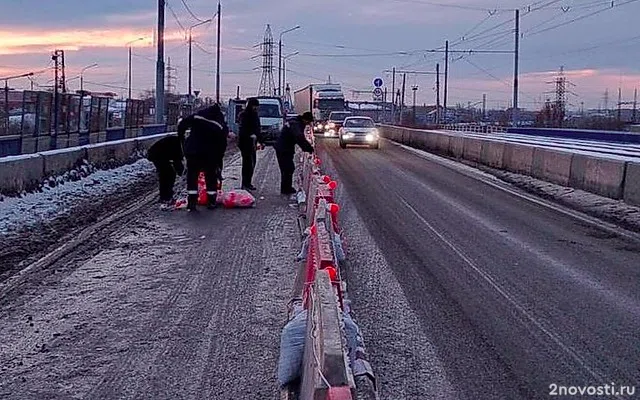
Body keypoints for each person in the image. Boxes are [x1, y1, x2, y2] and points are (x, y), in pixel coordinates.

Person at [178, 104, 228, 211]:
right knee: (210, 177)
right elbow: (222, 142)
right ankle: (211, 202)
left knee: (192, 176)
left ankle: (192, 203)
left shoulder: (197, 117)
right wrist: (220, 157)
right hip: (210, 154)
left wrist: (182, 140)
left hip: (193, 152)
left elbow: (181, 125)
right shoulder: (219, 124)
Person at [275, 111, 315, 195]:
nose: (308, 124)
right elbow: (299, 137)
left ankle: (286, 187)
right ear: (305, 119)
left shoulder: (295, 122)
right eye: (308, 122)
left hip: (284, 147)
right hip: (284, 148)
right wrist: (308, 148)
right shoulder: (295, 124)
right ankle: (286, 189)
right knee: (288, 168)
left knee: (287, 168)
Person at [147, 134, 184, 207]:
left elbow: (177, 160)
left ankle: (164, 196)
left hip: (158, 155)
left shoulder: (178, 141)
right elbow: (177, 161)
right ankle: (167, 197)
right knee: (169, 175)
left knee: (166, 174)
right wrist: (181, 173)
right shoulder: (178, 145)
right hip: (157, 156)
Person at [238, 98, 265, 191]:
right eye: (255, 106)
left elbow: (257, 129)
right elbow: (243, 130)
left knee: (252, 163)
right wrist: (250, 135)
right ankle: (245, 183)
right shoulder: (245, 115)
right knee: (247, 163)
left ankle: (248, 182)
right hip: (245, 142)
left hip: (251, 142)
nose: (256, 108)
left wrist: (261, 141)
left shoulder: (254, 115)